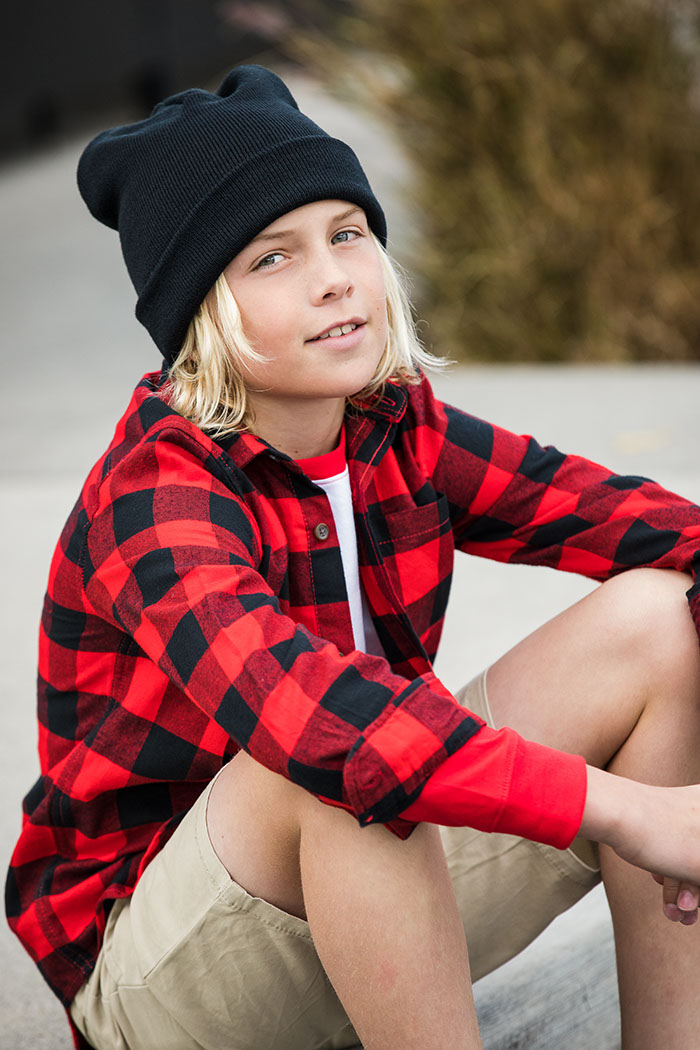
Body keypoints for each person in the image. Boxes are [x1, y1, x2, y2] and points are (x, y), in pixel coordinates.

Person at [6, 63, 700, 1050]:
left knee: (658, 620)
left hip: (377, 894)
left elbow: (634, 521)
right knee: (339, 750)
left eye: (346, 233)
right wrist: (630, 812)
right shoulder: (154, 496)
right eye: (272, 257)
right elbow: (316, 721)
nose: (333, 275)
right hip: (162, 979)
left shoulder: (389, 424)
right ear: (200, 309)